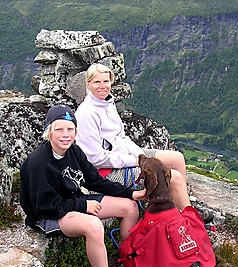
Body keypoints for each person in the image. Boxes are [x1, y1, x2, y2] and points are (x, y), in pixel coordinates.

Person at [20, 104, 146, 267]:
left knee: (130, 208)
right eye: (59, 129)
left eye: (70, 129)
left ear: (76, 132)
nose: (65, 135)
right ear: (49, 131)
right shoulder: (38, 163)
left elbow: (94, 180)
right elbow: (44, 206)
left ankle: (127, 266)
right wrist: (82, 206)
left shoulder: (73, 151)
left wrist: (130, 194)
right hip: (47, 216)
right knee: (94, 225)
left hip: (73, 202)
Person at [74, 63, 192, 211]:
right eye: (97, 82)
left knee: (177, 158)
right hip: (107, 171)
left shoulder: (107, 103)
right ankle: (188, 216)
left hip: (123, 155)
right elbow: (95, 158)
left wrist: (141, 157)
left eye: (106, 81)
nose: (102, 86)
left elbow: (121, 137)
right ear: (88, 84)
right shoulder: (86, 114)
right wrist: (134, 161)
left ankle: (183, 205)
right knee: (174, 177)